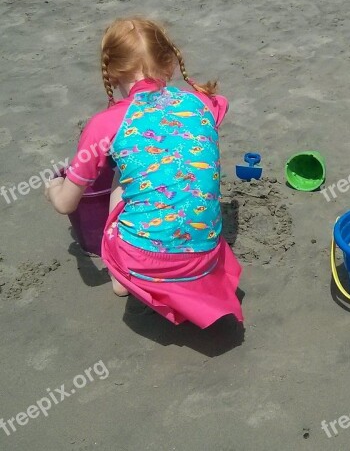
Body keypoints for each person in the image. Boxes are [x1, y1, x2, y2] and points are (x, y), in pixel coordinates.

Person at [45, 17, 243, 328]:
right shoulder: (201, 103)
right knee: (154, 169)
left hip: (148, 259)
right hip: (204, 255)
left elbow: (66, 204)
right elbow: (221, 103)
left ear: (110, 71)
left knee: (121, 177)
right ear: (170, 64)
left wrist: (53, 187)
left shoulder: (104, 124)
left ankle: (122, 280)